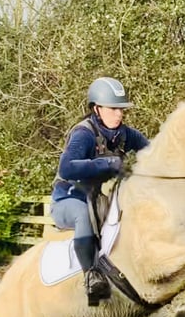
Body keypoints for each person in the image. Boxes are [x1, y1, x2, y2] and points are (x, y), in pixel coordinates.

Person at [51, 77, 150, 305]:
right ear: (97, 109)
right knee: (83, 214)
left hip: (99, 198)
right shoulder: (84, 134)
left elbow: (152, 151)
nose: (119, 114)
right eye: (113, 109)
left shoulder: (126, 134)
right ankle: (92, 276)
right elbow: (66, 168)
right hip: (69, 199)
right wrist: (108, 164)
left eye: (121, 109)